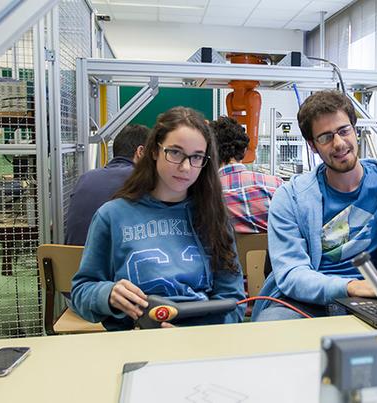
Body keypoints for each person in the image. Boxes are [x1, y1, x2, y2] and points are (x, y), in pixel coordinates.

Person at [253, 90, 377, 321]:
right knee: (272, 324)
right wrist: (353, 286)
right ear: (313, 146)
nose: (338, 143)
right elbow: (291, 274)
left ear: (355, 130)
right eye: (325, 137)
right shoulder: (290, 198)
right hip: (310, 303)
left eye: (344, 131)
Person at [70, 107, 246, 331]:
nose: (185, 167)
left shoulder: (214, 217)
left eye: (196, 157)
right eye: (175, 152)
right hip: (134, 340)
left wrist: (196, 335)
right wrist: (107, 294)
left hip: (200, 343)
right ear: (154, 151)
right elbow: (81, 292)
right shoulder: (112, 215)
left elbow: (234, 301)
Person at [64, 124, 148, 246]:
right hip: (112, 263)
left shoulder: (86, 178)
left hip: (70, 262)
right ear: (141, 152)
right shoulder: (142, 180)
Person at [211, 116, 283, 234]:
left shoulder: (206, 194)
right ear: (244, 150)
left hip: (224, 252)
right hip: (272, 252)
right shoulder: (276, 185)